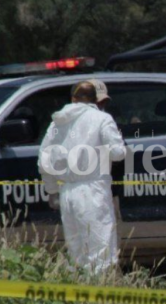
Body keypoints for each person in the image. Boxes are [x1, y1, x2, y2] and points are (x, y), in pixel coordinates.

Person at [38, 81, 126, 274]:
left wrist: (52, 189)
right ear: (95, 99)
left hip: (67, 192)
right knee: (101, 254)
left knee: (77, 256)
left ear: (73, 99)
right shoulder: (102, 119)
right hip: (93, 191)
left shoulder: (57, 122)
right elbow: (118, 153)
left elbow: (44, 159)